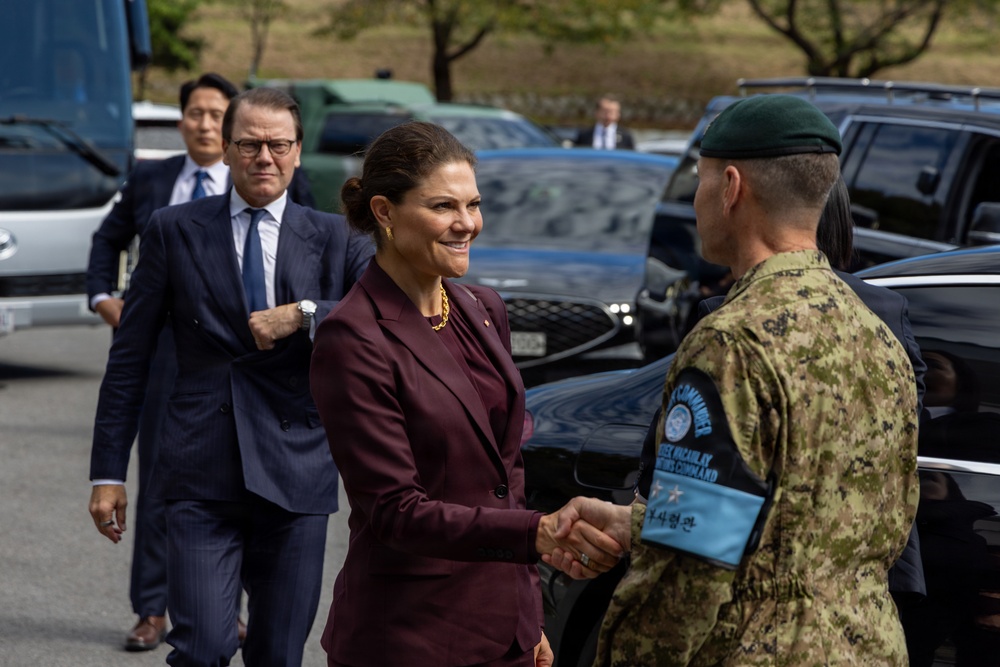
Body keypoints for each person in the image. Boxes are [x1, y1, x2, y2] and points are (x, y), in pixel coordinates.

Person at [548, 95, 920, 665]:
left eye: (697, 183)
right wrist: (636, 522)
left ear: (730, 186)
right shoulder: (874, 331)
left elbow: (690, 559)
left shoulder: (733, 340)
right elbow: (809, 524)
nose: (693, 202)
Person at [309, 121, 623, 667]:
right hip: (409, 634)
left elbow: (506, 479)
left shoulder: (482, 308)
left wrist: (526, 613)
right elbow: (395, 511)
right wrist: (539, 534)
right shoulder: (353, 336)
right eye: (443, 207)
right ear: (384, 212)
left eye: (473, 205)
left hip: (504, 630)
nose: (466, 224)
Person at [87, 86, 373, 666]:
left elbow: (377, 321)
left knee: (276, 653)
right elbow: (130, 357)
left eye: (277, 145)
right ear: (226, 147)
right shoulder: (173, 228)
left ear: (296, 152)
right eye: (249, 144)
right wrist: (107, 472)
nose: (263, 157)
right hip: (199, 468)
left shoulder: (337, 237)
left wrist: (305, 313)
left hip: (296, 469)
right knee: (203, 648)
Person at [86, 71, 241, 652]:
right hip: (162, 354)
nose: (205, 123)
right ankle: (152, 610)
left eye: (216, 114)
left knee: (239, 480)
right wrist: (104, 298)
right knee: (157, 481)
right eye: (196, 112)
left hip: (235, 357)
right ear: (181, 121)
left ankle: (229, 608)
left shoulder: (260, 182)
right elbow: (107, 239)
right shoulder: (153, 179)